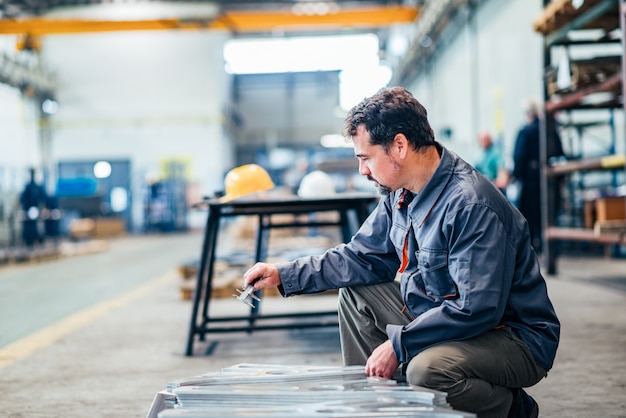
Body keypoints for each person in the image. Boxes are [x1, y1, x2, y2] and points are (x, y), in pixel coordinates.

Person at [243, 87, 560, 418]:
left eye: (365, 159)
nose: (363, 171)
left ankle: (511, 409)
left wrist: (399, 344)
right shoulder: (400, 195)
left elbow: (476, 308)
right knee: (356, 295)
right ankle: (378, 408)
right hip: (445, 317)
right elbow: (360, 257)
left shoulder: (470, 205)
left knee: (426, 370)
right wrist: (285, 273)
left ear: (399, 145)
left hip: (512, 338)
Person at [512, 100, 564, 253]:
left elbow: (519, 156)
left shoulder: (525, 132)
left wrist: (517, 175)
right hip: (550, 178)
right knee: (549, 212)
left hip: (531, 180)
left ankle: (535, 246)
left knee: (529, 214)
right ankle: (551, 245)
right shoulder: (550, 130)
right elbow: (560, 153)